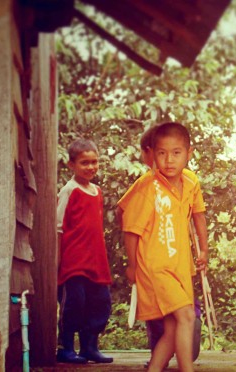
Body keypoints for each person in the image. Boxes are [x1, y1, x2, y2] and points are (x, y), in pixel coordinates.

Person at [120, 122, 208, 372]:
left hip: (181, 266)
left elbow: (199, 215)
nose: (169, 160)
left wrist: (204, 250)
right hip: (155, 266)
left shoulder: (191, 182)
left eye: (176, 153)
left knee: (172, 329)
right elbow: (130, 229)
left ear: (189, 153)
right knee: (187, 317)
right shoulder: (148, 187)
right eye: (161, 153)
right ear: (153, 153)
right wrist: (133, 266)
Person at [56, 138, 113, 364]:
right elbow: (58, 227)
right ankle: (66, 347)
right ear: (71, 165)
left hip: (96, 261)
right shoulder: (69, 190)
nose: (90, 167)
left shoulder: (97, 191)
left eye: (94, 162)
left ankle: (90, 346)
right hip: (74, 261)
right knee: (74, 303)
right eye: (84, 163)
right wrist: (58, 261)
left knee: (101, 302)